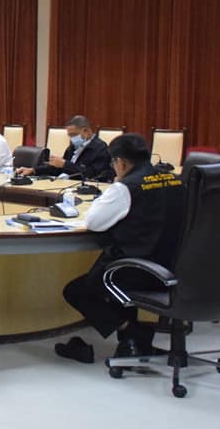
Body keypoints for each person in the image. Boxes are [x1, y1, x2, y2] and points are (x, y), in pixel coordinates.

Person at [54, 133, 185, 364]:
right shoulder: (175, 180)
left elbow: (93, 222)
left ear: (121, 162)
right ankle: (131, 341)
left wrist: (114, 188)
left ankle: (133, 332)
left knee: (77, 291)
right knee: (115, 285)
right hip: (174, 266)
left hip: (136, 269)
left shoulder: (126, 187)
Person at [17, 115, 114, 181]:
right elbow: (58, 169)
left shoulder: (100, 148)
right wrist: (33, 170)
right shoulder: (72, 147)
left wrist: (65, 164)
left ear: (86, 131)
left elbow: (92, 174)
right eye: (70, 135)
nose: (72, 138)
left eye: (74, 135)